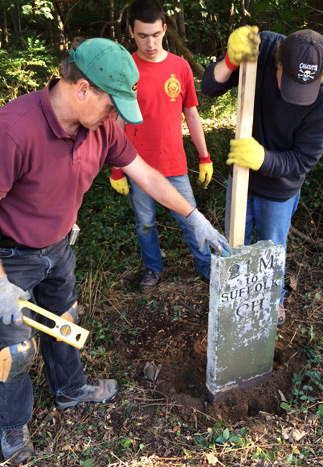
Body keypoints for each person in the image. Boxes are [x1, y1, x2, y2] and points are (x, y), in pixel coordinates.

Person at [0, 37, 231, 464]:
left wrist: (194, 217)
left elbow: (145, 172)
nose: (116, 116)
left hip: (60, 246)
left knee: (64, 321)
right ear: (82, 87)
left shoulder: (102, 127)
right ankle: (11, 430)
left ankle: (70, 389)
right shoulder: (14, 129)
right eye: (113, 103)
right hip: (11, 258)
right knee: (12, 351)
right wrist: (1, 286)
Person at [201, 26, 323, 325]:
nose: (295, 97)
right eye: (288, 82)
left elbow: (305, 158)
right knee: (231, 250)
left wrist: (263, 158)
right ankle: (232, 302)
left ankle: (271, 304)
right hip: (241, 179)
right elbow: (209, 88)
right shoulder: (261, 50)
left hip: (280, 190)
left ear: (322, 74)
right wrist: (229, 61)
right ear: (278, 62)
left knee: (271, 252)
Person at [109, 0, 215, 290]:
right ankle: (153, 269)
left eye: (156, 35)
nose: (150, 43)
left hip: (174, 163)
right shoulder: (125, 69)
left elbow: (191, 113)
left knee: (191, 219)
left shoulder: (180, 67)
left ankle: (206, 267)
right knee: (145, 223)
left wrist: (204, 156)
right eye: (143, 36)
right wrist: (117, 167)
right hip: (137, 165)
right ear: (131, 31)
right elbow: (117, 119)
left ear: (165, 29)